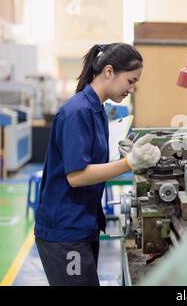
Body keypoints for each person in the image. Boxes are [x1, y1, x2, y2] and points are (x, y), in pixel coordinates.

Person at [34, 43, 161, 286]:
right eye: (131, 81)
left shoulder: (96, 109)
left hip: (82, 224)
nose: (132, 89)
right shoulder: (78, 111)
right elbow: (77, 176)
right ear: (109, 71)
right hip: (65, 232)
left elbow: (88, 161)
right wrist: (129, 163)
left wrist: (121, 154)